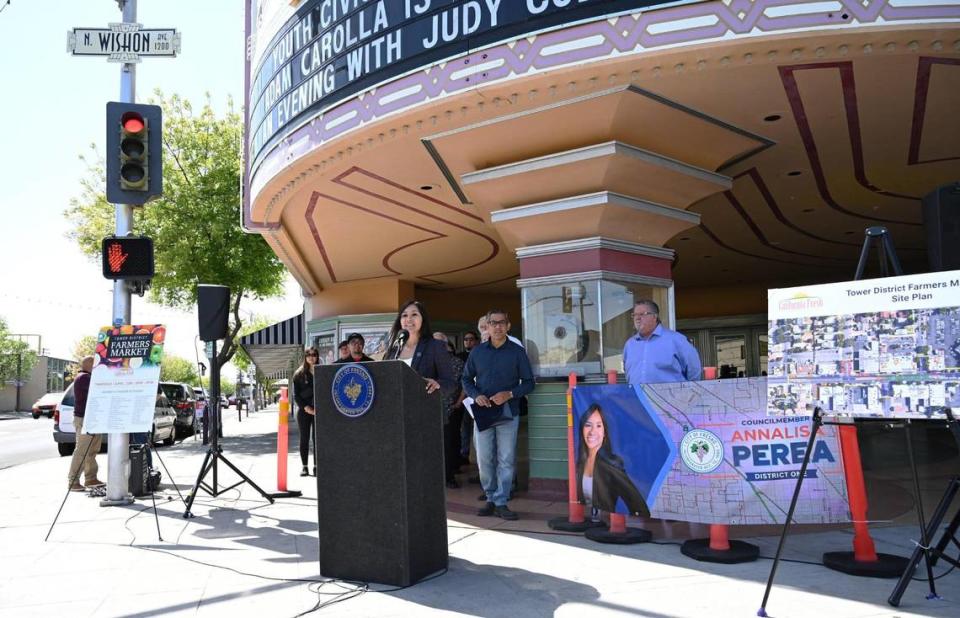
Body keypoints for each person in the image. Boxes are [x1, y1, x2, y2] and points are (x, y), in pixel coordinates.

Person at [461, 310, 535, 520]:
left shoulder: (517, 352)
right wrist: (476, 396)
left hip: (508, 411)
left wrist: (510, 394)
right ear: (487, 326)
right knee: (484, 459)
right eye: (493, 323)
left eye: (502, 323)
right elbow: (466, 379)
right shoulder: (477, 352)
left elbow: (529, 383)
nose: (497, 327)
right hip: (483, 412)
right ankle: (490, 497)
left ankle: (501, 500)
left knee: (506, 458)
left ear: (508, 326)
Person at [576, 403, 649, 517]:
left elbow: (639, 506)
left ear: (605, 432)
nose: (592, 431)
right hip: (588, 527)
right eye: (588, 425)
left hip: (604, 526)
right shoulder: (579, 463)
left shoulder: (611, 464)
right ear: (582, 429)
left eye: (599, 426)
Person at [384, 301, 455, 398]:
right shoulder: (392, 351)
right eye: (404, 315)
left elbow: (450, 384)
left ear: (423, 319)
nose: (409, 319)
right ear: (400, 321)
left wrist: (437, 384)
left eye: (414, 314)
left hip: (423, 409)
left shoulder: (435, 346)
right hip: (395, 409)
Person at [623, 299, 702, 384]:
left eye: (642, 314)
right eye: (635, 315)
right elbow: (628, 374)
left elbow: (694, 372)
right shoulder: (630, 345)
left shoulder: (676, 340)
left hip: (670, 396)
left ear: (654, 317)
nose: (637, 318)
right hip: (637, 396)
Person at [67, 356, 103, 491]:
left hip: (92, 419)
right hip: (84, 419)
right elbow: (99, 392)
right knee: (82, 451)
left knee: (92, 451)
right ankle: (73, 481)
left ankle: (91, 478)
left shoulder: (87, 377)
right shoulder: (84, 378)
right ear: (89, 365)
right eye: (96, 363)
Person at [434, 332, 465, 488]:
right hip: (428, 411)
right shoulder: (427, 362)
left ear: (446, 345)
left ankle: (449, 476)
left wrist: (458, 402)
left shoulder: (456, 363)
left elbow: (464, 384)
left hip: (450, 409)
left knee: (449, 444)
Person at [292, 347, 319, 477]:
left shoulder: (322, 370)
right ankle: (304, 467)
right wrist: (306, 407)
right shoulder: (299, 373)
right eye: (308, 355)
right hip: (304, 411)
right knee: (304, 439)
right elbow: (296, 395)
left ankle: (316, 466)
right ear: (305, 357)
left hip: (319, 410)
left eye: (314, 355)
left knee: (317, 439)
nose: (311, 357)